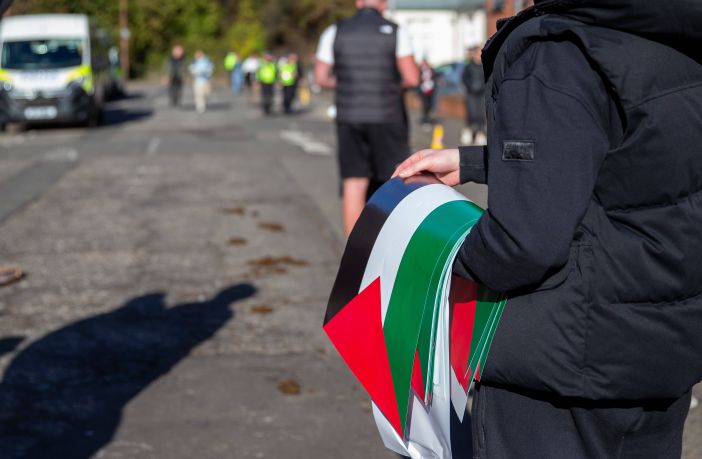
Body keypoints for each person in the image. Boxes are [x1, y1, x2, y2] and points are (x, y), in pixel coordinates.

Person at [394, 0, 702, 457]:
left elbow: (523, 244)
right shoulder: (671, 33)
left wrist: (438, 256)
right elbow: (636, 155)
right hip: (661, 355)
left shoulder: (558, 51)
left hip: (560, 367)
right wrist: (475, 161)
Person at [315, 0, 419, 235]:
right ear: (383, 4)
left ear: (358, 2)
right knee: (394, 179)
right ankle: (390, 242)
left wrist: (348, 83)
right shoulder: (395, 31)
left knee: (353, 181)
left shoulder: (334, 31)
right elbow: (412, 78)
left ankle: (356, 251)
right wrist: (389, 84)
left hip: (350, 115)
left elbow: (321, 78)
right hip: (387, 114)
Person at [461, 46, 486, 146]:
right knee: (471, 113)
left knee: (481, 113)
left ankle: (480, 134)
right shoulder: (469, 66)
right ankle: (469, 132)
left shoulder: (485, 66)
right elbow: (464, 78)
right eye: (477, 53)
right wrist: (470, 86)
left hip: (482, 93)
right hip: (471, 93)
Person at [189, 50, 214, 114]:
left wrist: (206, 72)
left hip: (206, 80)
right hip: (198, 81)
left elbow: (210, 69)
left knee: (206, 94)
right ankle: (200, 107)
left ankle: (204, 104)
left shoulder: (207, 61)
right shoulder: (194, 61)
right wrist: (195, 72)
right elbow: (191, 69)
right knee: (198, 95)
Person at [417, 58, 436, 125]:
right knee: (425, 104)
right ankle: (425, 118)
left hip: (430, 90)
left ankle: (427, 117)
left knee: (430, 104)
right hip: (423, 90)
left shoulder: (431, 70)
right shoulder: (420, 71)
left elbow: (435, 77)